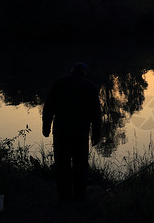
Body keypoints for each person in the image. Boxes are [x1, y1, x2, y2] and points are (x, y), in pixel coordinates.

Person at [42, 62, 101, 202]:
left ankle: (64, 196)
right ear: (85, 73)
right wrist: (96, 134)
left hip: (61, 131)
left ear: (72, 71)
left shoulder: (59, 83)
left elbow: (48, 107)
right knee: (80, 165)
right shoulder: (90, 86)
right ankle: (80, 195)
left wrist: (46, 127)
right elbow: (96, 113)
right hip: (80, 133)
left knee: (62, 164)